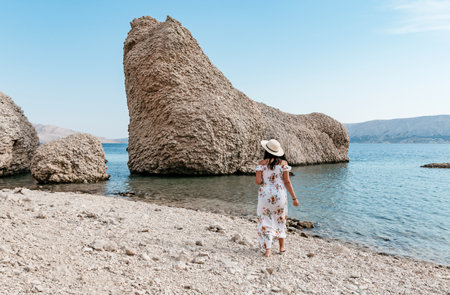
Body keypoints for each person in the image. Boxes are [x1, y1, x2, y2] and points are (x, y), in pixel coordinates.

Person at [255, 139, 299, 257]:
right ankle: (281, 248)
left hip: (265, 195)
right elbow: (287, 182)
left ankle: (268, 249)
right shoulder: (283, 164)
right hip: (280, 195)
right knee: (280, 219)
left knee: (265, 220)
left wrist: (266, 179)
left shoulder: (261, 163)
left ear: (266, 150)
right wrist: (294, 198)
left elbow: (258, 182)